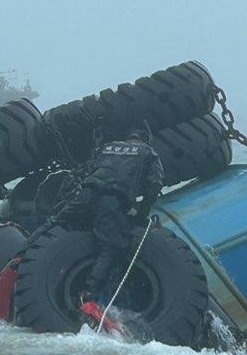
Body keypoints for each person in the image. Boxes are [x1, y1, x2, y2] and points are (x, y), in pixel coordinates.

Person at [51, 126, 164, 303]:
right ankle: (88, 294)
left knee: (56, 222)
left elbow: (83, 171)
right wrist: (142, 215)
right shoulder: (148, 152)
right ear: (145, 139)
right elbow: (154, 185)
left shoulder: (107, 146)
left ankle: (21, 257)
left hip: (86, 194)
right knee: (113, 246)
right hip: (111, 199)